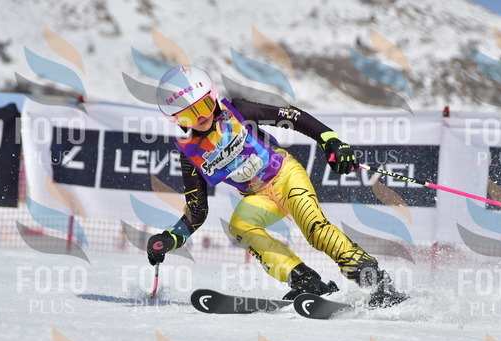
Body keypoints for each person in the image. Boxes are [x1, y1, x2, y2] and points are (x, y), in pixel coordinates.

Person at [146, 65, 406, 307]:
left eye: (204, 105)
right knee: (240, 227)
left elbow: (294, 117)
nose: (200, 117)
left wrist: (331, 141)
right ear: (176, 120)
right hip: (257, 196)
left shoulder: (238, 111)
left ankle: (376, 281)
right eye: (188, 115)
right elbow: (197, 211)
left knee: (315, 230)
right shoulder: (191, 153)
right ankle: (305, 280)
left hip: (286, 176)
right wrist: (169, 238)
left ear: (213, 96)